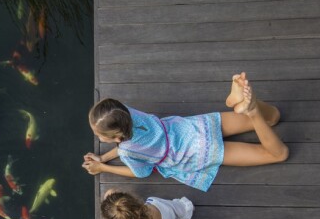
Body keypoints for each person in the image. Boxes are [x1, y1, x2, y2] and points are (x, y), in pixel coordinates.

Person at [82, 73, 289, 191]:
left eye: (100, 135)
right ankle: (239, 104)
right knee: (274, 116)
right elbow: (124, 142)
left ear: (117, 137)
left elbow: (140, 172)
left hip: (200, 152)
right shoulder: (125, 112)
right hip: (197, 127)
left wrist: (104, 168)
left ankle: (251, 111)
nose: (98, 137)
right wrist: (103, 157)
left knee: (278, 154)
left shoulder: (127, 151)